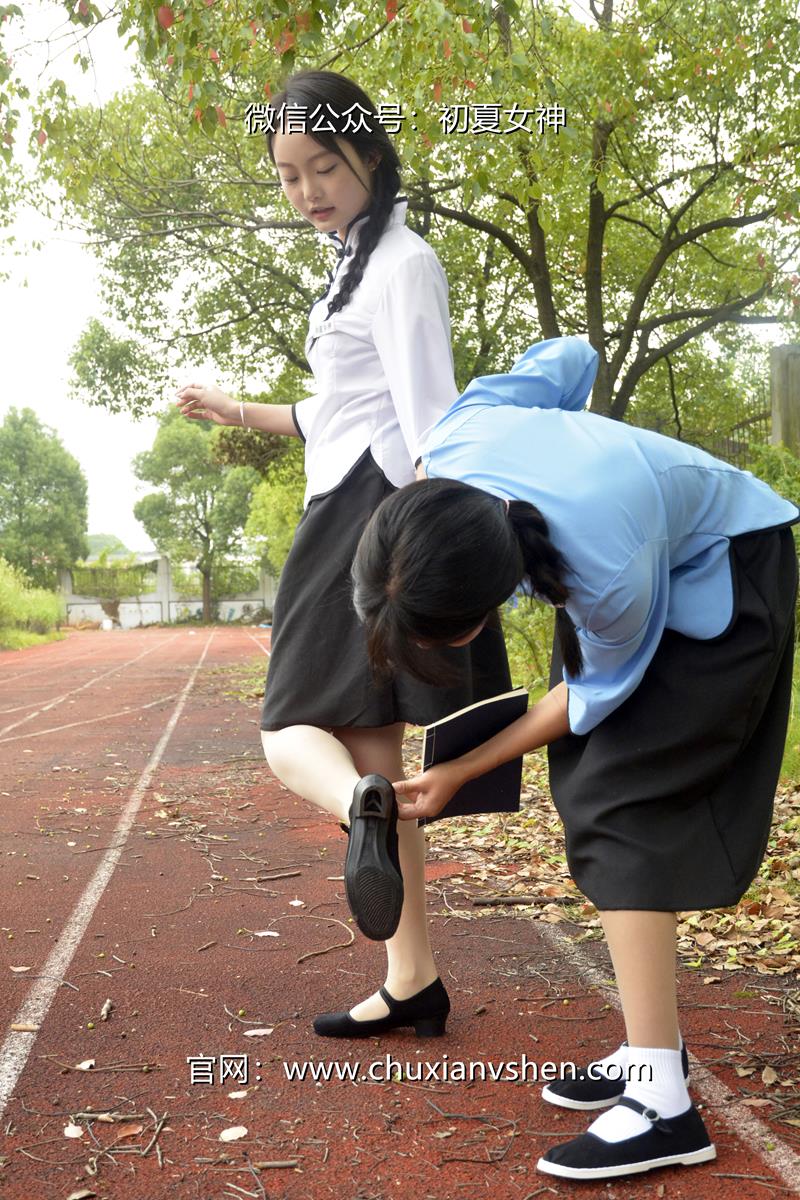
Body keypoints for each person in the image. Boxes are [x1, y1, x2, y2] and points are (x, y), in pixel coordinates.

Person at [350, 334, 799, 1181]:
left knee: (621, 804)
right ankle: (648, 1052)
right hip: (626, 541)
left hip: (728, 572)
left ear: (486, 608)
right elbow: (569, 354)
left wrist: (467, 764)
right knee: (591, 785)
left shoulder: (608, 568)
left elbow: (594, 698)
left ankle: (664, 1106)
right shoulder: (449, 439)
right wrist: (568, 442)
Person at [175, 69, 510, 1038]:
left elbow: (430, 418)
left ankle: (354, 804)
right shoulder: (352, 261)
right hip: (348, 499)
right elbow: (337, 410)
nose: (307, 190)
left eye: (322, 165)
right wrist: (232, 408)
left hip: (367, 517)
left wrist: (445, 556)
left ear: (368, 152)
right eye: (286, 175)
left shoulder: (402, 263)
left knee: (288, 734)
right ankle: (414, 978)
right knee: (375, 751)